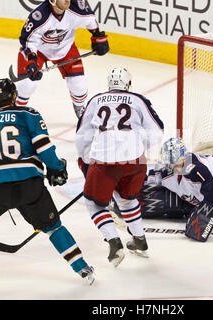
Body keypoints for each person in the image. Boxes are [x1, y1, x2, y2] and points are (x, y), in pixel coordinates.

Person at [0, 78, 94, 292]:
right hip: (30, 186)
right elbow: (43, 147)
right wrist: (55, 168)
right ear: (13, 96)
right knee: (53, 227)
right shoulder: (29, 114)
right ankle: (83, 268)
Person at [75, 67, 164, 267]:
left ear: (109, 84)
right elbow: (157, 132)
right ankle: (140, 240)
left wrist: (85, 160)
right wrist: (137, 148)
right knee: (126, 199)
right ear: (128, 85)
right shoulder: (139, 100)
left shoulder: (96, 100)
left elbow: (81, 135)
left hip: (105, 161)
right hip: (135, 163)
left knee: (93, 203)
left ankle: (114, 242)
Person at [15, 0, 109, 119]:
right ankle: (16, 110)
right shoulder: (39, 16)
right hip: (39, 51)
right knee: (27, 85)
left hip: (65, 49)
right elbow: (27, 41)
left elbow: (90, 20)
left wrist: (97, 36)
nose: (67, 0)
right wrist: (32, 62)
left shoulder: (75, 8)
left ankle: (79, 107)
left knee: (79, 85)